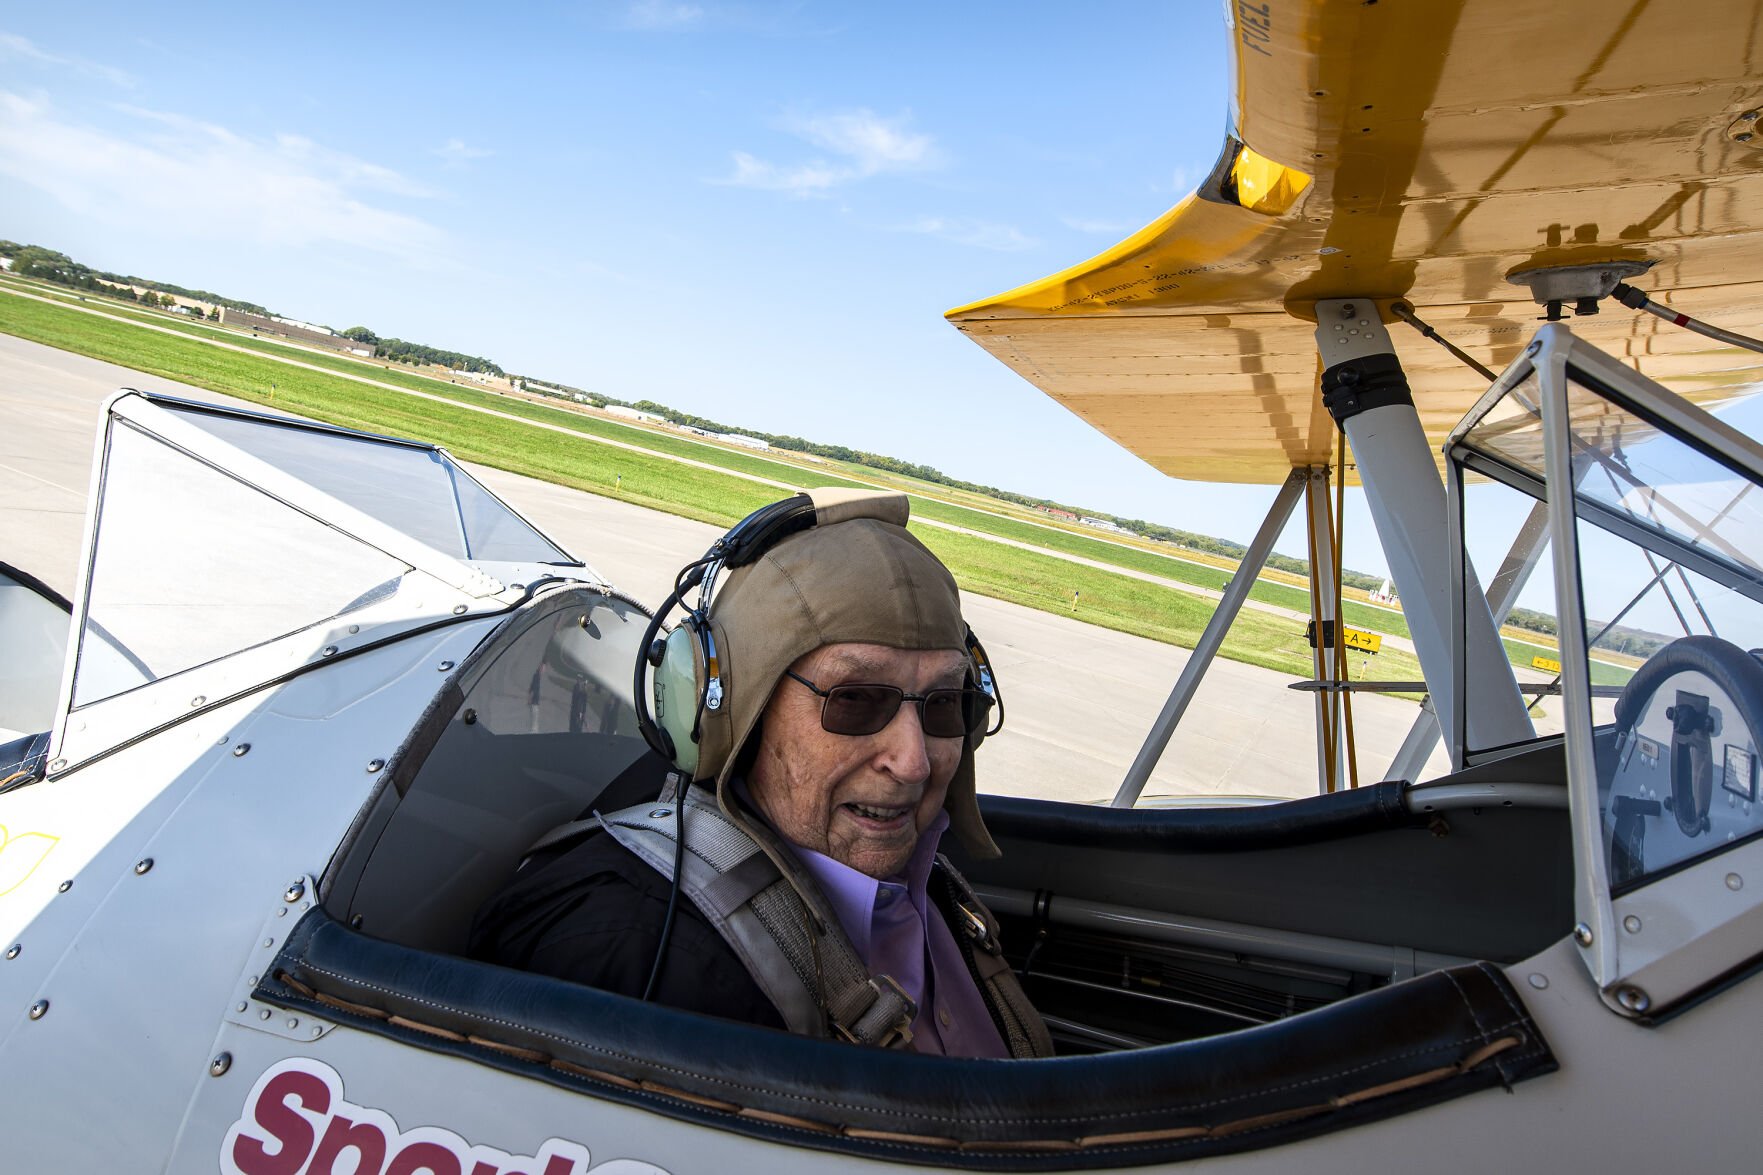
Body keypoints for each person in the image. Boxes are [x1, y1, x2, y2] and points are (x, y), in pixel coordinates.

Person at [470, 489, 1050, 1058]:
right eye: (854, 701)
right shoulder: (635, 956)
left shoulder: (927, 877)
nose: (914, 761)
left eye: (944, 703)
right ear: (725, 709)